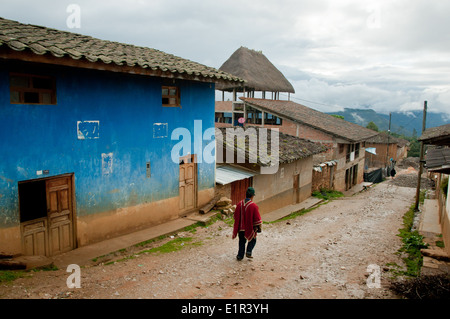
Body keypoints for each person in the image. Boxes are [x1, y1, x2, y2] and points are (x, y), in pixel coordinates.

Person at [232, 187, 262, 261]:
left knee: (241, 241)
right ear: (252, 196)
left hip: (241, 228)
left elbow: (235, 216)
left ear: (246, 195)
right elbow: (257, 219)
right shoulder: (253, 206)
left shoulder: (239, 204)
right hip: (250, 228)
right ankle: (248, 251)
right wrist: (259, 227)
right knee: (253, 240)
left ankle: (240, 256)